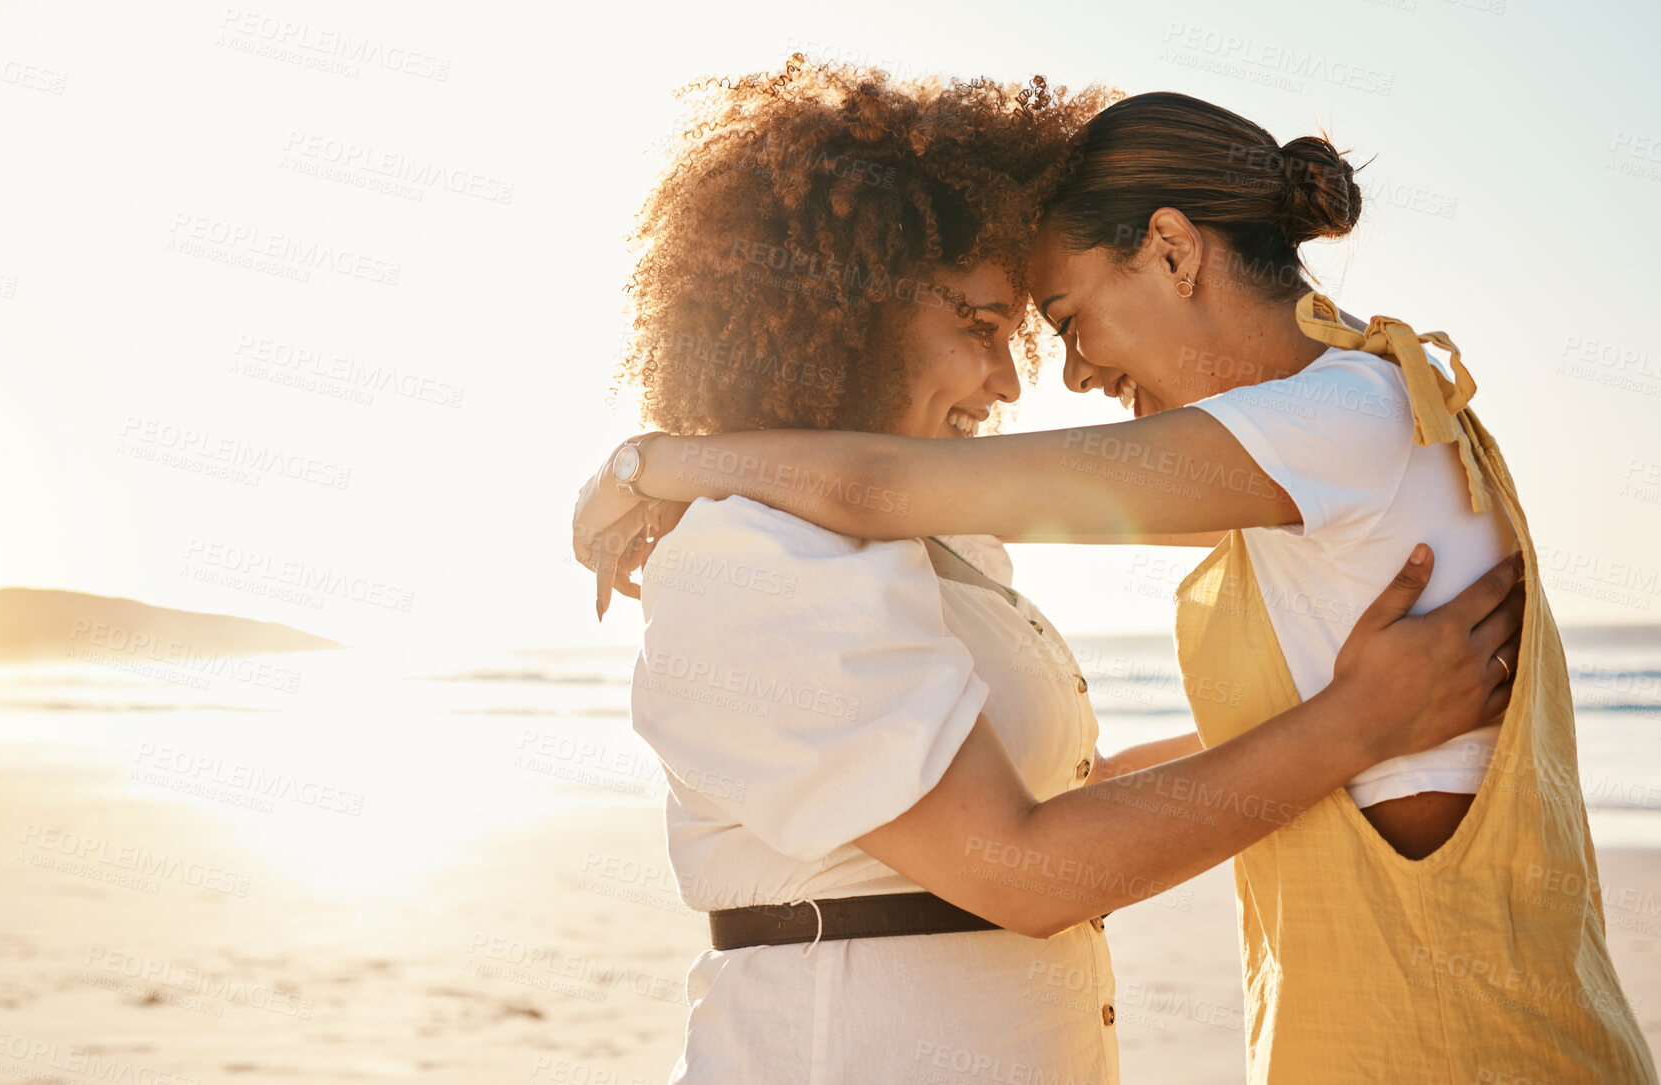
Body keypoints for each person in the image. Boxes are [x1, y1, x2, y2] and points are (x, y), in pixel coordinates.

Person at [592, 62, 1526, 1084]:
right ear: (852, 307)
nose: (1020, 378)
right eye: (983, 327)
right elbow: (1026, 869)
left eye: (1034, 326)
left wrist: (1347, 716)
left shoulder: (955, 548)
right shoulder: (753, 554)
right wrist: (1351, 723)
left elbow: (1075, 805)